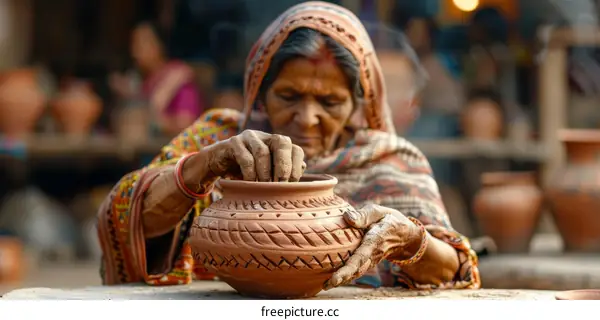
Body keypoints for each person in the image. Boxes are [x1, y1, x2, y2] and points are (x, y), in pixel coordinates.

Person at [97, 1, 480, 290]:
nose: (308, 117)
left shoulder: (390, 161)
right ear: (260, 95)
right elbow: (126, 215)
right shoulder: (219, 138)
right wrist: (204, 167)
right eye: (289, 96)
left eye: (330, 103)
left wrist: (410, 240)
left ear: (356, 106)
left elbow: (456, 270)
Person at [110, 21, 205, 137]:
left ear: (159, 46)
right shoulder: (140, 80)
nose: (135, 52)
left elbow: (186, 124)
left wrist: (151, 121)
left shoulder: (179, 78)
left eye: (141, 44)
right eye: (133, 44)